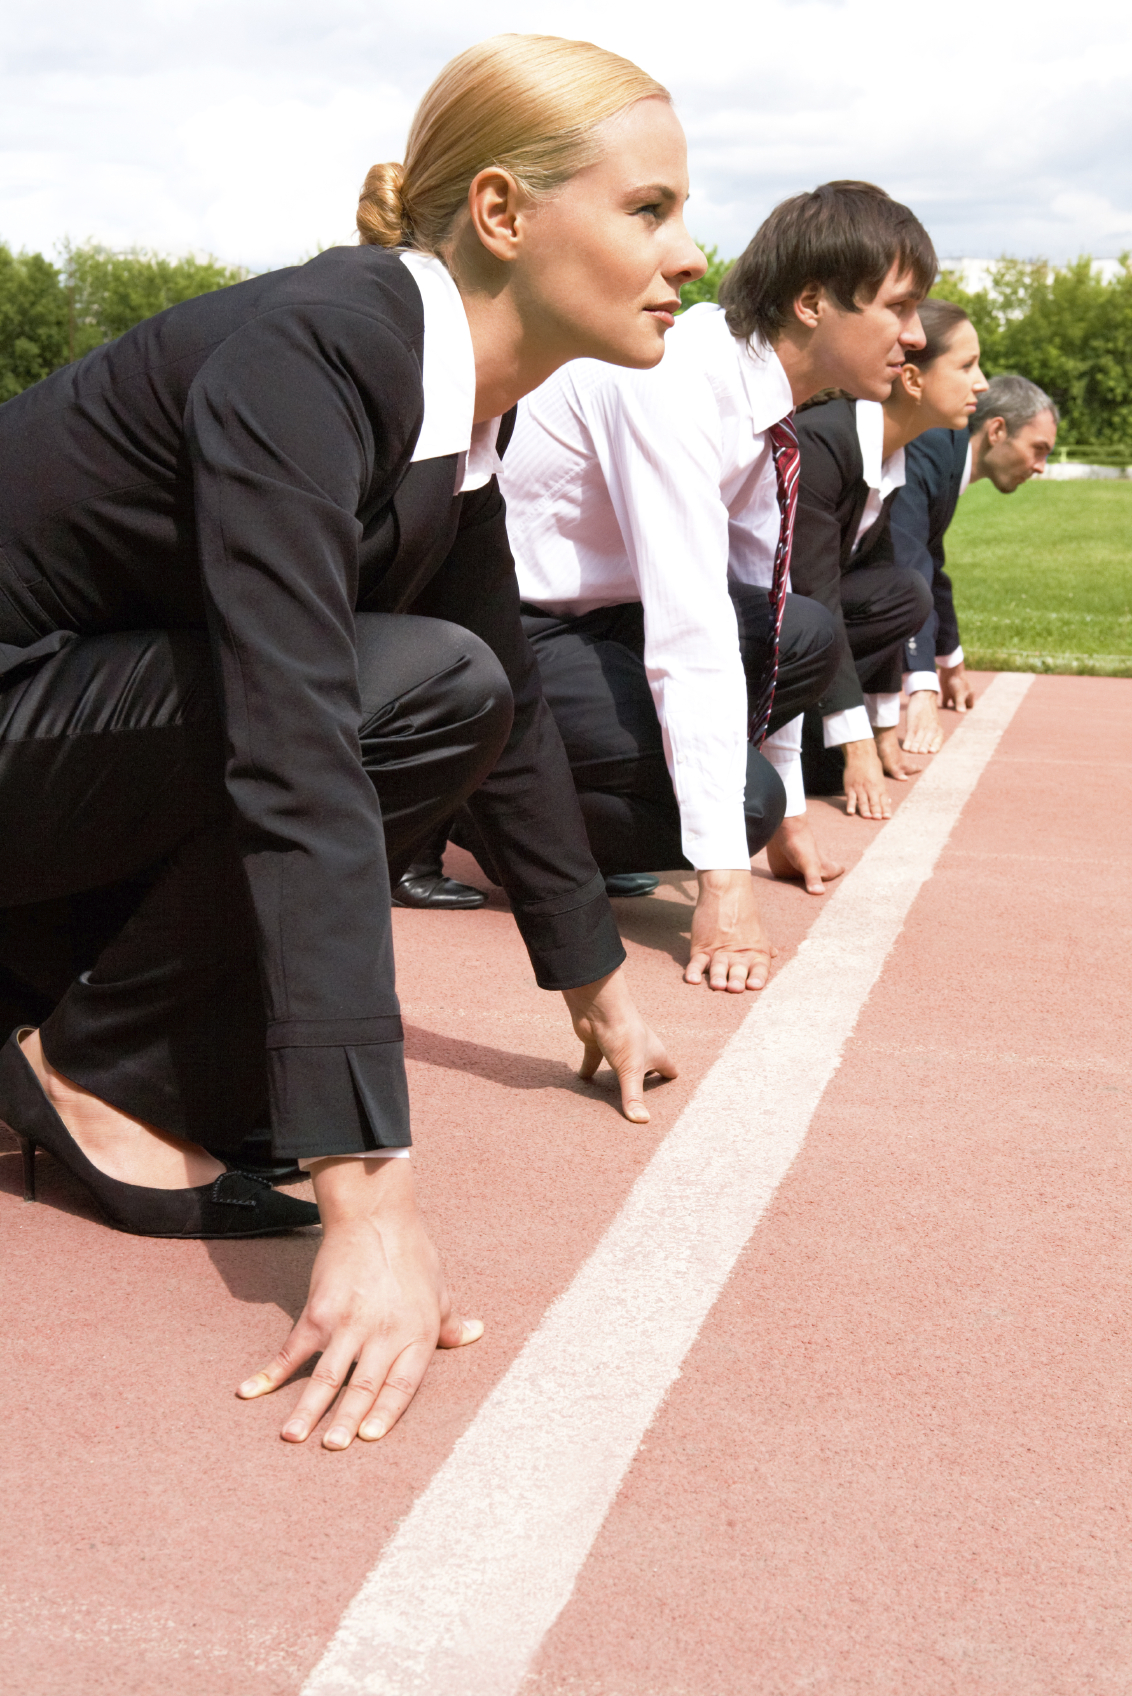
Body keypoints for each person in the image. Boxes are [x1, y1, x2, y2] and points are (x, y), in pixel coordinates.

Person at [0, 33, 703, 1451]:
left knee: (456, 684)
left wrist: (594, 987)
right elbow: (295, 741)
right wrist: (367, 1195)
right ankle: (100, 1070)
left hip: (51, 748)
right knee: (401, 688)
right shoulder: (317, 349)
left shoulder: (460, 418)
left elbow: (503, 714)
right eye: (651, 208)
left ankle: (112, 1034)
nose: (698, 252)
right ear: (501, 213)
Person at [491, 181, 935, 997]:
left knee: (802, 633)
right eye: (899, 307)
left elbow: (760, 588)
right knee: (743, 805)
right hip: (517, 632)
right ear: (810, 302)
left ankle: (560, 801)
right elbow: (690, 635)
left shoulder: (763, 399)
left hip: (606, 620)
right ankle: (485, 807)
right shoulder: (672, 378)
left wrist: (794, 813)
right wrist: (726, 883)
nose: (915, 337)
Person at [791, 298, 987, 807]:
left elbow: (880, 588)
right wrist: (856, 749)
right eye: (967, 366)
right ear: (913, 380)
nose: (982, 383)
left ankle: (818, 732)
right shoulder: (824, 443)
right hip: (752, 634)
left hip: (799, 631)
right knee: (796, 783)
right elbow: (816, 595)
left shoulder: (887, 452)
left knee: (904, 591)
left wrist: (882, 731)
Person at [897, 371, 1059, 753]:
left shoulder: (948, 456)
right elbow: (906, 566)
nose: (1041, 466)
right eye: (1038, 448)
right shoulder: (932, 448)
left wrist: (950, 662)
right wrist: (922, 687)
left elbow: (931, 565)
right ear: (997, 430)